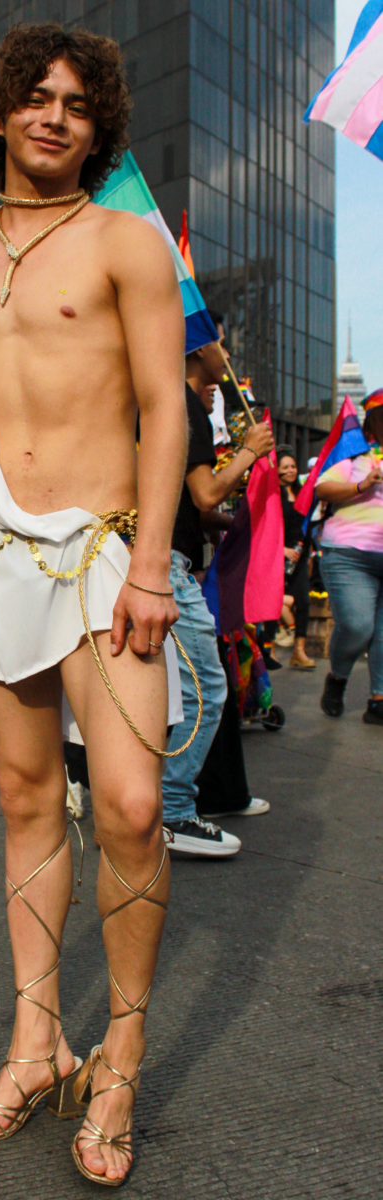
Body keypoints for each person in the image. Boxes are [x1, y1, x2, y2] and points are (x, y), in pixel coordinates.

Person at [0, 24, 187, 1186]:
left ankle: (119, 1058)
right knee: (22, 801)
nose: (55, 116)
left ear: (98, 125)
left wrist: (152, 564)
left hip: (106, 557)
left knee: (128, 802)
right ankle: (33, 1041)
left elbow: (166, 409)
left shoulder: (124, 242)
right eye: (35, 98)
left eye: (76, 104)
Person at [162, 317, 274, 855]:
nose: (224, 358)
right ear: (199, 345)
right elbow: (205, 494)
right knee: (205, 687)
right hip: (166, 568)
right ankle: (175, 809)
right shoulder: (186, 406)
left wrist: (234, 523)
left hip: (160, 560)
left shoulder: (171, 401)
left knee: (176, 693)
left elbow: (194, 506)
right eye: (220, 341)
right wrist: (250, 452)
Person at [317, 389, 383, 724]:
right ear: (373, 420)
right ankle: (338, 677)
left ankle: (379, 700)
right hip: (349, 553)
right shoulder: (354, 452)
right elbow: (321, 487)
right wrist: (363, 484)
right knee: (358, 626)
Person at [270, 447, 315, 670]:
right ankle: (269, 649)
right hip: (276, 556)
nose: (290, 470)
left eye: (293, 466)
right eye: (285, 467)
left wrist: (306, 554)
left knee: (304, 603)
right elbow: (268, 528)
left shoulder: (303, 493)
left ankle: (299, 651)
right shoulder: (273, 495)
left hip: (299, 557)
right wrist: (282, 550)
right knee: (271, 602)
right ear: (277, 471)